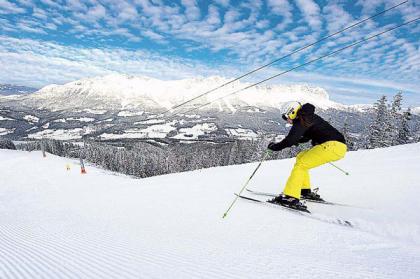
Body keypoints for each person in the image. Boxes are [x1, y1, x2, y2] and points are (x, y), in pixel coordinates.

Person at [267, 102, 347, 211]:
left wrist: (275, 147)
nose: (287, 120)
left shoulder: (301, 120)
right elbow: (306, 137)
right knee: (301, 158)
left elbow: (290, 139)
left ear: (292, 112)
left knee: (301, 165)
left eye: (286, 117)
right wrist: (296, 141)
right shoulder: (307, 117)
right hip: (336, 146)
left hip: (332, 146)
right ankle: (304, 191)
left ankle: (290, 197)